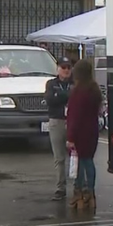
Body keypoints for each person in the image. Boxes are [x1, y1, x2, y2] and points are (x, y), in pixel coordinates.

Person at [65, 59, 103, 214]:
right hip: (92, 131)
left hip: (80, 132)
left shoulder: (77, 92)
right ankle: (90, 194)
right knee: (89, 162)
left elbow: (74, 116)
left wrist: (70, 137)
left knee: (79, 163)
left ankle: (78, 193)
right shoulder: (95, 90)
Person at [44, 57, 74, 200]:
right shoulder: (51, 84)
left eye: (68, 67)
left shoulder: (74, 83)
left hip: (73, 122)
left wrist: (62, 96)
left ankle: (78, 186)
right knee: (59, 157)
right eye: (63, 67)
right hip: (57, 120)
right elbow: (50, 100)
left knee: (75, 155)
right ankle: (60, 187)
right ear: (58, 69)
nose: (66, 70)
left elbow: (74, 97)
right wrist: (65, 96)